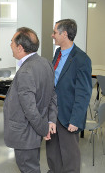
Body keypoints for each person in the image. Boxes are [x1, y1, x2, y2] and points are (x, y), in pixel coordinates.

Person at [3, 27, 57, 173]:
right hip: (34, 130)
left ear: (20, 48)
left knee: (29, 169)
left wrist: (43, 130)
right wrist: (50, 120)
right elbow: (52, 94)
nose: (10, 45)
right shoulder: (45, 63)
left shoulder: (26, 71)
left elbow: (30, 109)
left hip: (25, 134)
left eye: (11, 42)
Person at [46, 19, 92, 173]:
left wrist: (76, 119)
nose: (52, 35)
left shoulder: (81, 59)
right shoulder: (58, 53)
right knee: (53, 153)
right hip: (53, 113)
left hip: (69, 115)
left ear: (64, 34)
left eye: (54, 32)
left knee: (70, 157)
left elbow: (84, 92)